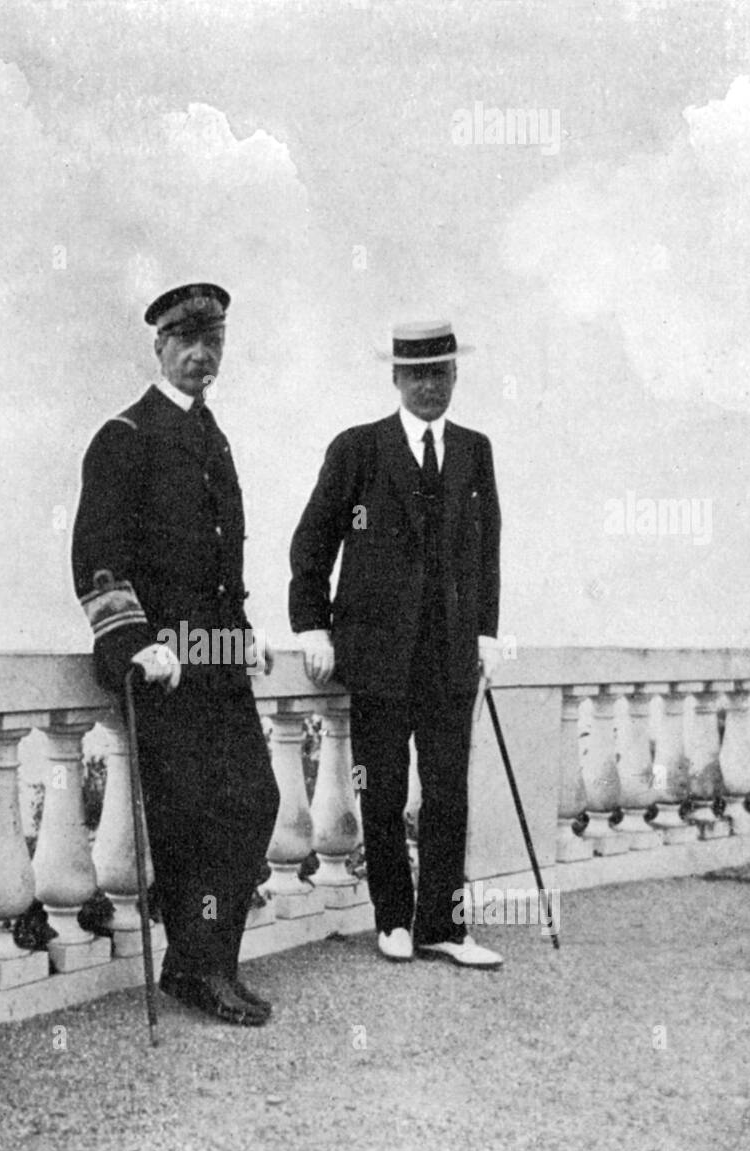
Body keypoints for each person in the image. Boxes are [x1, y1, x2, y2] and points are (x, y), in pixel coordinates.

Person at [71, 283, 280, 1025]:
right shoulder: (126, 435)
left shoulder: (210, 436)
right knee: (190, 818)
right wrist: (134, 641)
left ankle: (211, 961)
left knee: (256, 801)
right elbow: (98, 559)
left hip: (217, 661)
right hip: (164, 670)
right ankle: (196, 969)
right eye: (186, 339)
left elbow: (223, 567)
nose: (201, 354)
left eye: (213, 339)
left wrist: (241, 635)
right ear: (157, 344)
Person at [289, 320, 504, 969]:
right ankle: (392, 920)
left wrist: (487, 633)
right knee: (380, 793)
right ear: (395, 378)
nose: (430, 385)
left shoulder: (474, 450)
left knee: (446, 794)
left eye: (440, 372)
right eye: (417, 374)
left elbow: (484, 551)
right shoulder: (357, 448)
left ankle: (442, 924)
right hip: (376, 654)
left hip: (448, 657)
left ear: (455, 376)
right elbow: (311, 543)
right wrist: (311, 626)